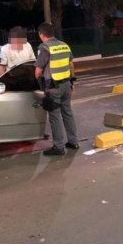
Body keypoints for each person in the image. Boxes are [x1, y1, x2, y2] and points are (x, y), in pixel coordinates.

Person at [34, 22, 79, 156]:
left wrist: (39, 83)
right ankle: (73, 141)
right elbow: (71, 65)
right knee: (67, 113)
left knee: (55, 117)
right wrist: (72, 82)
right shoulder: (64, 45)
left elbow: (37, 72)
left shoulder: (44, 47)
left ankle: (58, 147)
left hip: (53, 87)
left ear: (41, 34)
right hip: (66, 85)